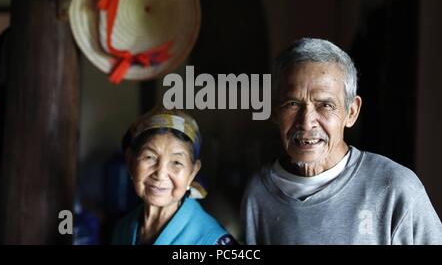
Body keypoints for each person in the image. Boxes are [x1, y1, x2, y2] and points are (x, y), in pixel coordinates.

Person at [241, 38, 442, 245]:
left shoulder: (395, 189)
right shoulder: (259, 192)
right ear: (274, 110)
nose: (306, 122)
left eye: (325, 105)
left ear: (351, 112)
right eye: (292, 103)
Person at [112, 108, 236, 245]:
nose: (160, 174)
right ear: (130, 162)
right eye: (149, 157)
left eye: (176, 162)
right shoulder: (123, 230)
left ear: (192, 172)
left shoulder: (214, 242)